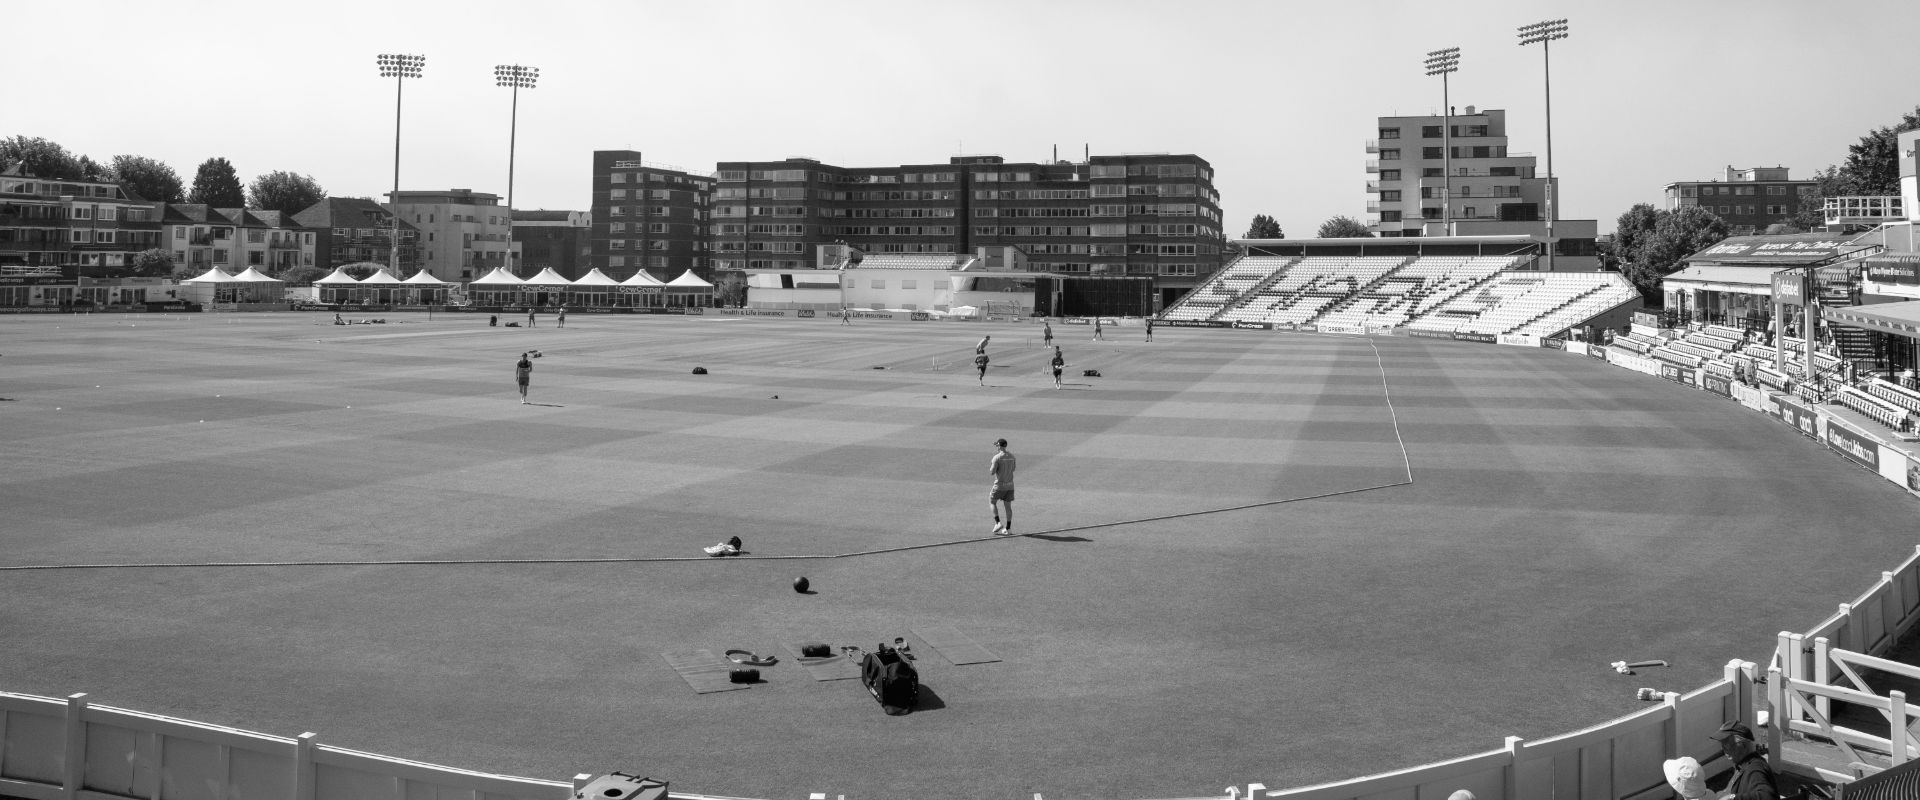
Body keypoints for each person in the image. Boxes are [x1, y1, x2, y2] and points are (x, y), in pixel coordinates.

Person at [1710, 721, 1777, 800]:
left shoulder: (1755, 769)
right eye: (1722, 745)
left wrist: (1732, 798)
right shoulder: (1742, 764)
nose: (1722, 749)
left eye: (1726, 744)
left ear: (1743, 746)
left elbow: (1767, 796)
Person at [989, 438, 1016, 535]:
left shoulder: (997, 457)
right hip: (1010, 486)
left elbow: (992, 472)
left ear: (1000, 446)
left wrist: (993, 466)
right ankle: (1008, 528)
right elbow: (1013, 469)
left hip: (999, 485)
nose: (996, 447)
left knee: (992, 502)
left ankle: (998, 523)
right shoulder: (1012, 456)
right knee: (1008, 507)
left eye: (997, 445)